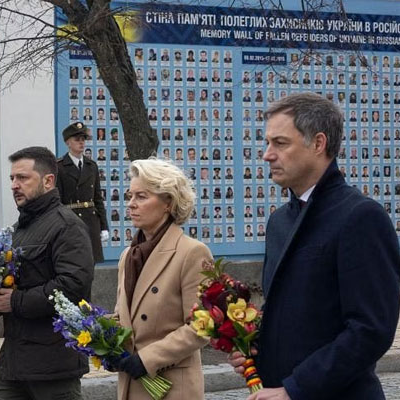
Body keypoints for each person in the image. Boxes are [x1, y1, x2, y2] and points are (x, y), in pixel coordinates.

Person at [229, 92, 400, 399]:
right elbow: (290, 312)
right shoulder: (279, 221)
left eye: (280, 143)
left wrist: (294, 390)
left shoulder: (361, 216)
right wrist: (254, 346)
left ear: (318, 144)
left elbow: (371, 329)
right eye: (267, 142)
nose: (267, 154)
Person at [0, 146, 94, 400]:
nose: (14, 185)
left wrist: (14, 302)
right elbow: (17, 282)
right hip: (15, 363)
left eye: (23, 178)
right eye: (12, 179)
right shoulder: (19, 229)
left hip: (53, 366)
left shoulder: (67, 226)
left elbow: (73, 286)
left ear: (48, 181)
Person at [111, 158, 210, 399]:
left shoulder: (191, 252)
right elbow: (124, 317)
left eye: (141, 197)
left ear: (168, 202)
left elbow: (202, 326)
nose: (131, 205)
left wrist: (148, 359)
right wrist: (94, 331)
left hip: (171, 385)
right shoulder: (128, 255)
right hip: (131, 384)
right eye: (130, 196)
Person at [56, 122, 108, 263]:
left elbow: (97, 198)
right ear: (68, 142)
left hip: (90, 222)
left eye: (83, 139)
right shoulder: (59, 167)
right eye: (77, 139)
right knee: (73, 263)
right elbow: (57, 201)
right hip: (70, 221)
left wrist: (104, 226)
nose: (81, 143)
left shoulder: (91, 166)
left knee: (90, 265)